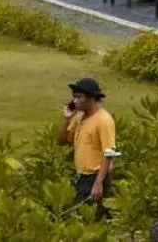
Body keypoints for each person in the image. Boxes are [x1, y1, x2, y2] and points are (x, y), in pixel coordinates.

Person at [59, 76, 115, 216]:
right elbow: (61, 141)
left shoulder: (103, 120)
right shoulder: (79, 117)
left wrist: (98, 183)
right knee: (81, 216)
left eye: (79, 97)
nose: (75, 101)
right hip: (81, 177)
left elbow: (109, 153)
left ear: (91, 98)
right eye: (74, 97)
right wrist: (66, 119)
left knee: (94, 217)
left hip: (95, 178)